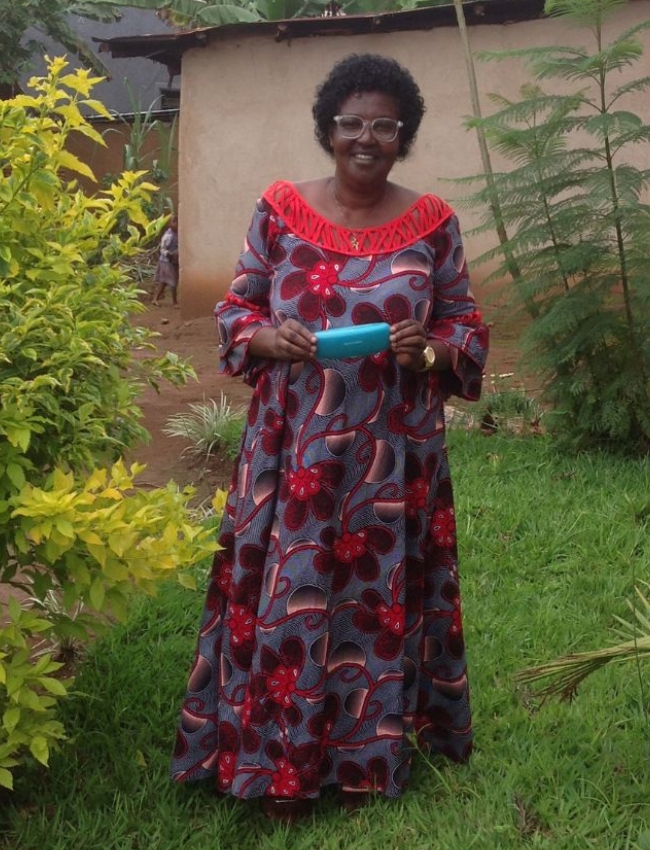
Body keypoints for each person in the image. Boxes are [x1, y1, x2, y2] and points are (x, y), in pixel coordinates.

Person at [170, 53, 489, 823]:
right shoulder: (279, 210)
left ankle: (365, 757)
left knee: (377, 600)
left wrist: (430, 350)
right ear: (328, 129)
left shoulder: (433, 222)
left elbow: (466, 329)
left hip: (393, 452)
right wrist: (267, 340)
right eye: (352, 123)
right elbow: (236, 309)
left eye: (385, 125)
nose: (367, 138)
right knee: (289, 595)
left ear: (404, 132)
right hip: (295, 449)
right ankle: (274, 757)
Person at [151, 213, 179, 306]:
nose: (176, 224)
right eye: (174, 222)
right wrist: (169, 254)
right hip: (166, 261)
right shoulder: (168, 236)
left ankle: (155, 299)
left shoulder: (178, 233)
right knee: (173, 281)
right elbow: (162, 249)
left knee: (164, 281)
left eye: (177, 222)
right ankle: (174, 302)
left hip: (173, 262)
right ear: (169, 224)